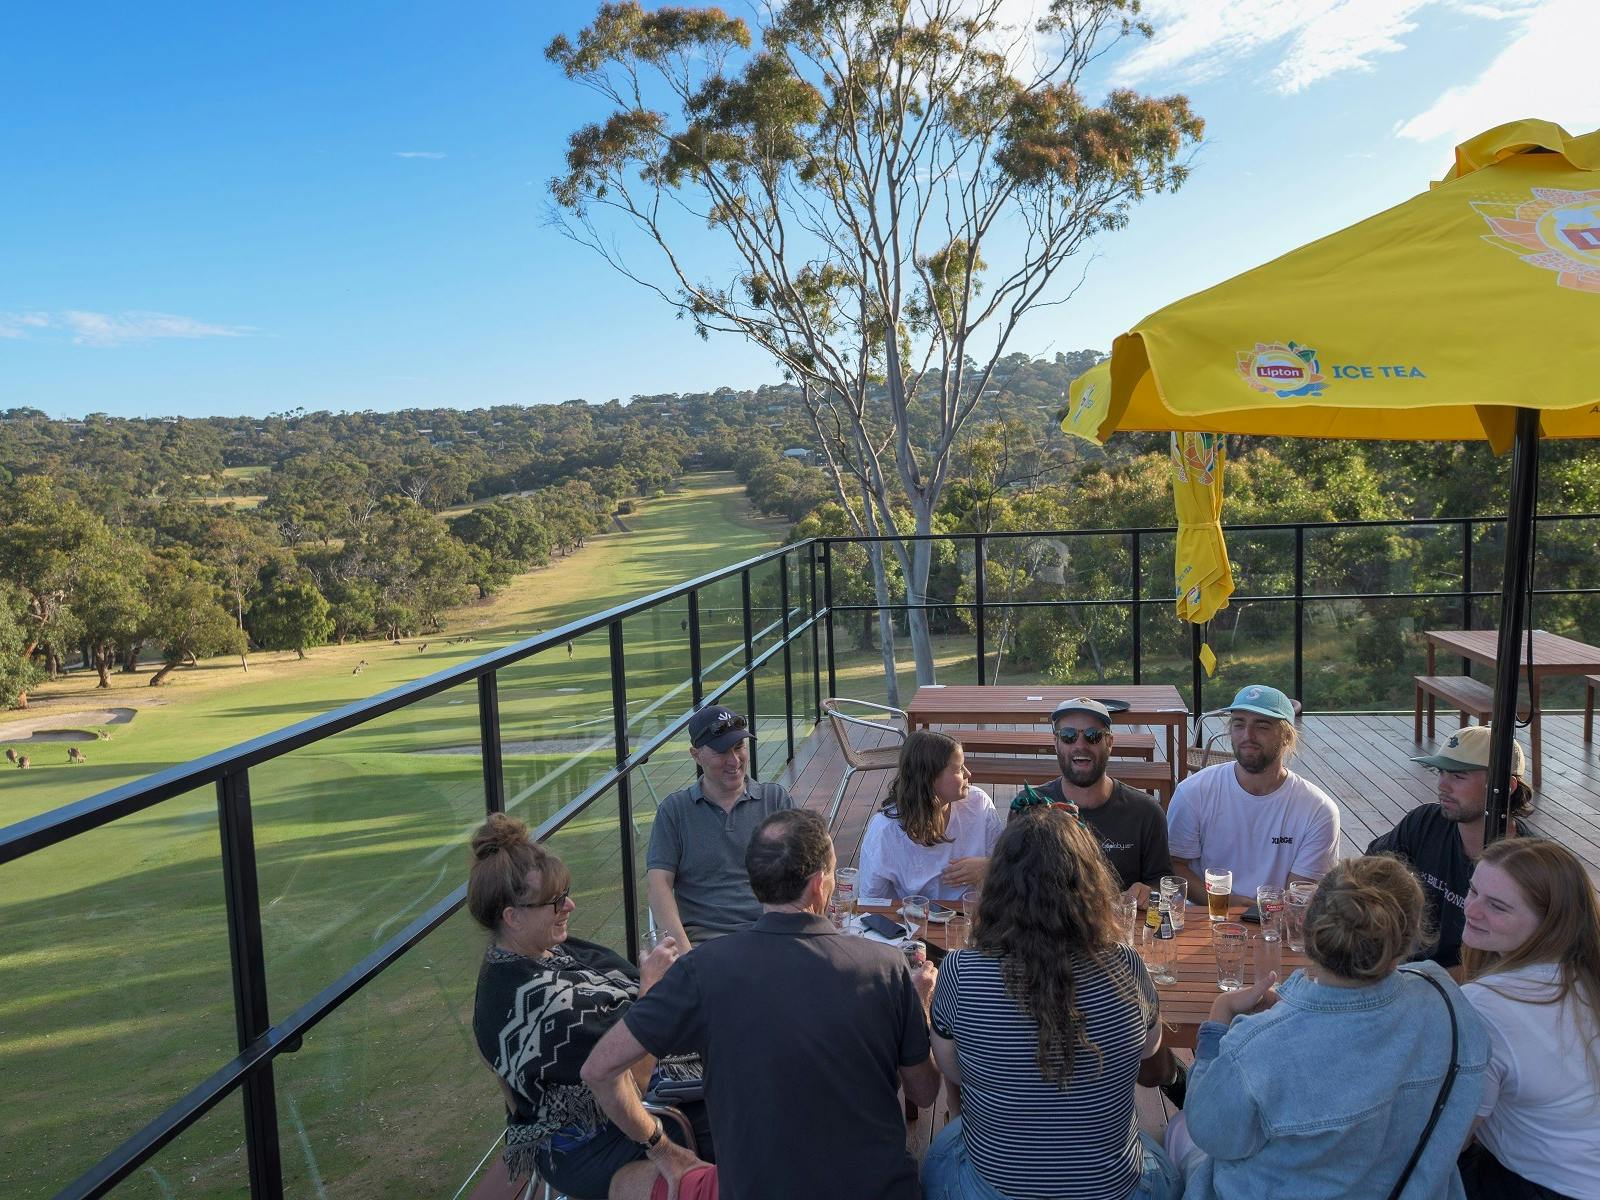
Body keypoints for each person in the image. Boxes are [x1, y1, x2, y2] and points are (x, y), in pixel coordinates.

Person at [583, 808, 940, 1200]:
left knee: (623, 1184)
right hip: (881, 1191)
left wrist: (663, 1151)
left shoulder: (702, 972)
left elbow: (599, 1070)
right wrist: (920, 1005)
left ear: (756, 886)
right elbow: (924, 1094)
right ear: (820, 886)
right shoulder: (886, 967)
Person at [1168, 855, 1489, 1200]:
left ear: (1308, 927)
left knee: (1179, 1130)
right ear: (1408, 937)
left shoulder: (1258, 1045)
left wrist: (1219, 1017)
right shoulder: (1449, 1003)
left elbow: (1210, 1131)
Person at [922, 806, 1182, 1200]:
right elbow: (1150, 1053)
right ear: (1091, 885)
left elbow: (954, 1073)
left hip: (989, 1190)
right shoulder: (1126, 966)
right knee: (1166, 1156)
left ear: (998, 886)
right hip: (1118, 1191)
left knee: (943, 1147)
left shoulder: (960, 972)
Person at [467, 813, 712, 1200]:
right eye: (555, 901)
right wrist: (651, 991)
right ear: (512, 917)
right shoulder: (537, 1003)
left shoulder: (548, 953)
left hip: (631, 1101)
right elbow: (638, 1075)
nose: (571, 905)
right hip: (597, 1137)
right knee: (753, 1109)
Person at [1458, 837, 1600, 1199]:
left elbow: (1450, 1138)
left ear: (1549, 923)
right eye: (1473, 891)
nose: (1471, 910)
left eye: (1498, 907)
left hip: (1543, 1186)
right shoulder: (1586, 973)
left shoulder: (1487, 1005)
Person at [1367, 725, 1531, 970]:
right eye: (1441, 772)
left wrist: (1414, 983)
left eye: (1458, 775)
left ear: (1506, 786)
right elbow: (1364, 878)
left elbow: (1509, 969)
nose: (1443, 785)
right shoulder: (1424, 822)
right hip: (1404, 972)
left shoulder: (1527, 866)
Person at [1166, 684, 1339, 905]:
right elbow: (1175, 865)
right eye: (1239, 724)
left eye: (1262, 726)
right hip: (1205, 918)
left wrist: (1259, 912)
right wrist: (1227, 904)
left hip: (1277, 922)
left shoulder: (1318, 810)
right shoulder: (1193, 792)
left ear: (1287, 736)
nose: (1248, 735)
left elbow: (1301, 892)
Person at [646, 706, 794, 948]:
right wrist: (685, 954)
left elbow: (811, 866)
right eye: (721, 751)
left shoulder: (775, 800)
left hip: (773, 937)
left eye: (739, 748)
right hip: (705, 946)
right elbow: (658, 885)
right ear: (696, 755)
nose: (734, 761)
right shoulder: (675, 811)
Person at [1034, 697, 1173, 894]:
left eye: (1092, 735)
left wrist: (1147, 892)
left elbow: (1161, 883)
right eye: (1068, 735)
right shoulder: (1032, 809)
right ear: (1055, 743)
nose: (1080, 745)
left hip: (1122, 923)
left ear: (1109, 742)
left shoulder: (1146, 812)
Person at [856, 730, 1003, 902]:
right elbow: (871, 903)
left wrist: (990, 867)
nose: (968, 774)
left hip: (971, 918)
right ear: (929, 778)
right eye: (958, 769)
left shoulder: (978, 803)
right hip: (910, 922)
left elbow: (1010, 865)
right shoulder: (884, 830)